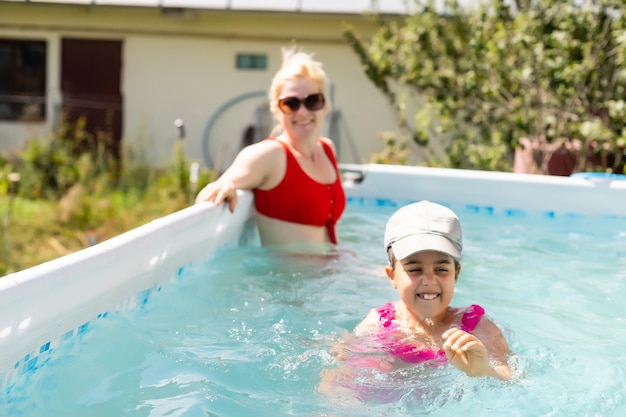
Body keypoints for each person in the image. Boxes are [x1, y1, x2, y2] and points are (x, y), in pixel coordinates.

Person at [318, 200, 513, 401]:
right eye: (414, 270)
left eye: (441, 269)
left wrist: (483, 371)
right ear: (392, 276)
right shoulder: (380, 324)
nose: (429, 280)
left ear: (456, 274)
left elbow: (514, 380)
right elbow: (342, 378)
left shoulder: (477, 328)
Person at [195, 47, 346, 247]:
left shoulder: (327, 149)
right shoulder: (270, 155)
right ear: (276, 110)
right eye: (290, 104)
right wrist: (226, 185)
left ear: (326, 106)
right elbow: (211, 194)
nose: (301, 112)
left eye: (312, 101)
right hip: (292, 278)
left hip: (335, 269)